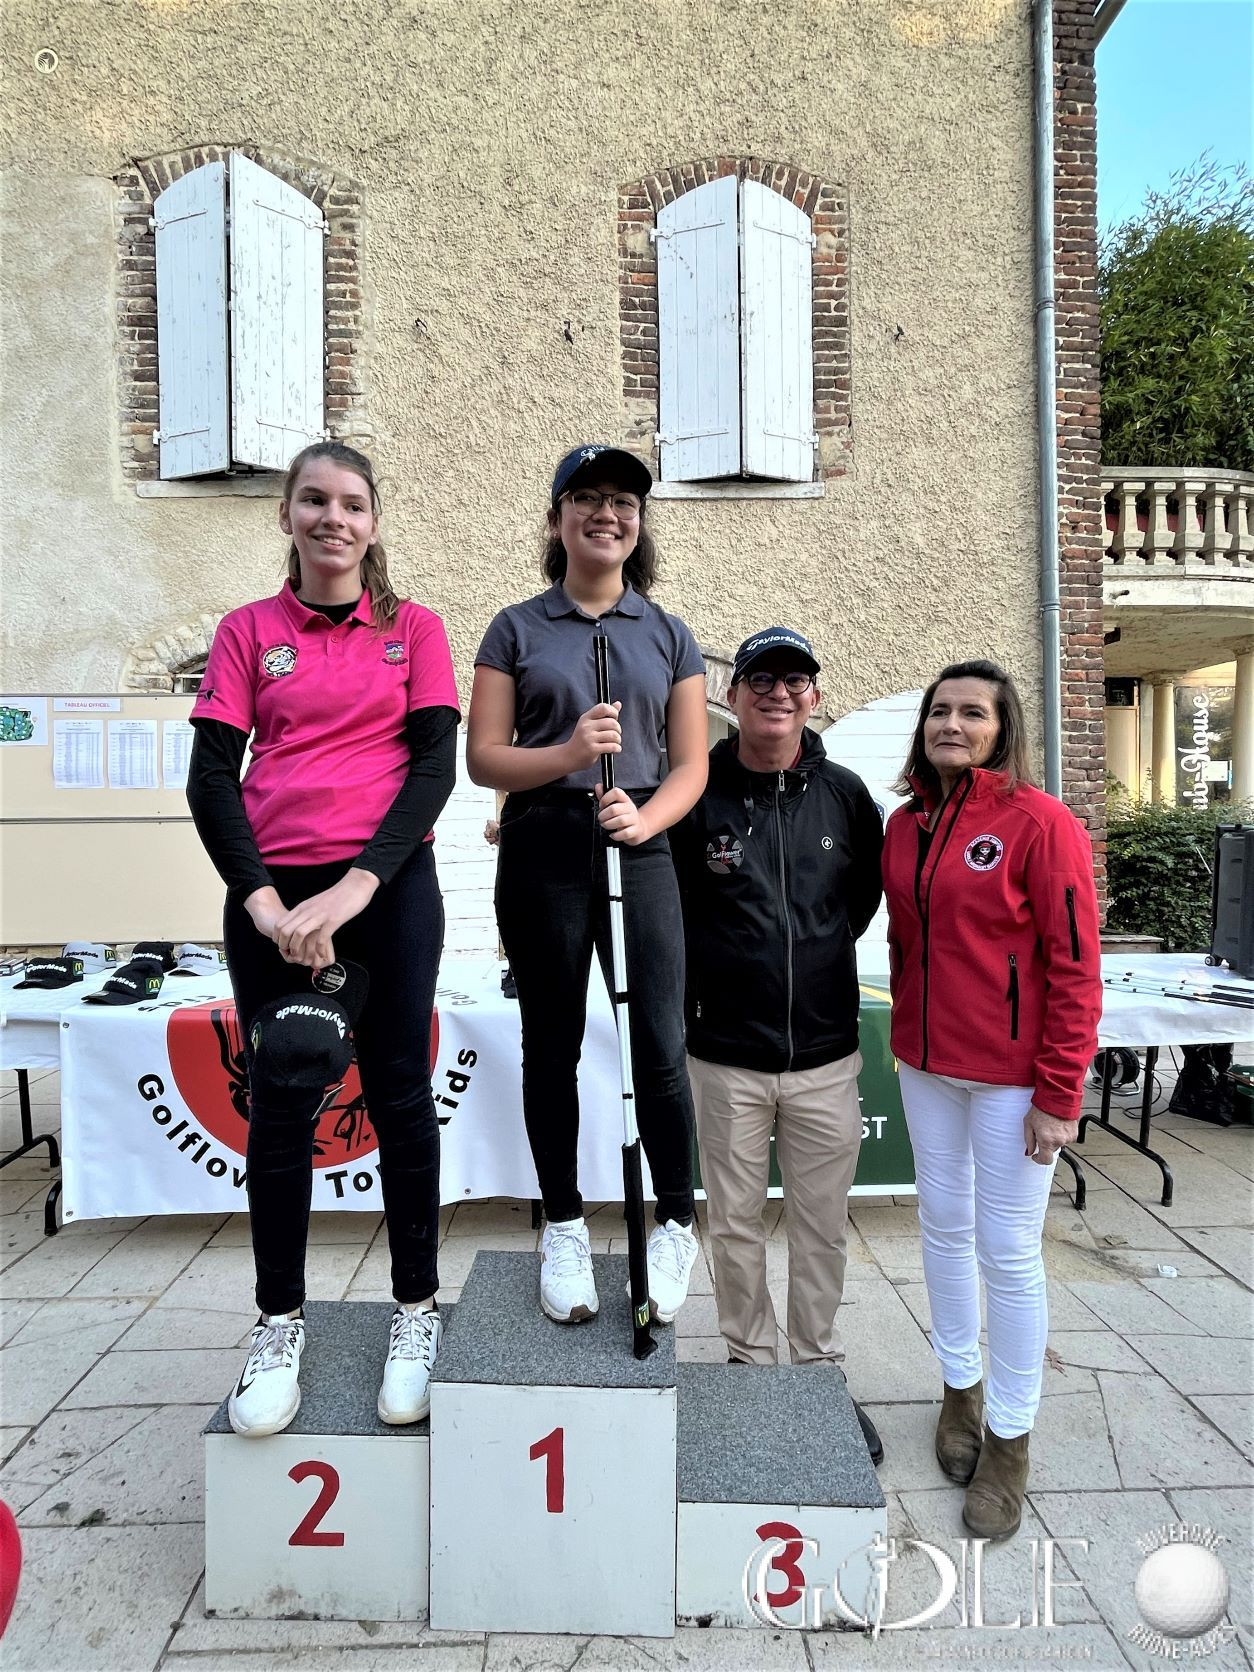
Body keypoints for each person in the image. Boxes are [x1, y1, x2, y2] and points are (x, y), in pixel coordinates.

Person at [187, 441, 459, 1437]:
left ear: (373, 522)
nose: (332, 519)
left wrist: (354, 889)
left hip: (385, 891)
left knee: (397, 1091)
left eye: (351, 503)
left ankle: (416, 1309)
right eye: (313, 500)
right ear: (286, 515)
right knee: (283, 1099)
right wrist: (264, 904)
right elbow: (212, 778)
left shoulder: (414, 629)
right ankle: (278, 1321)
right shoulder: (247, 631)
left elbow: (434, 769)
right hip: (276, 898)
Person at [466, 444, 708, 1326]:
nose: (608, 515)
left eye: (623, 503)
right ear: (558, 517)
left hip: (637, 844)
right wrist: (568, 753)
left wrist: (647, 821)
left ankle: (676, 1220)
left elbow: (690, 765)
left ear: (638, 524)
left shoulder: (668, 634)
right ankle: (564, 1224)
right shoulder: (515, 628)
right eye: (589, 499)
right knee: (552, 1044)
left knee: (659, 1045)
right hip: (542, 844)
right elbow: (482, 757)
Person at [882, 659, 1101, 1537]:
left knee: (1008, 1253)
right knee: (942, 1230)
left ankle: (1010, 1437)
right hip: (928, 1068)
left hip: (1015, 1081)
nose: (953, 724)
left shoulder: (1041, 823)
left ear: (1003, 729)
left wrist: (1060, 1091)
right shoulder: (905, 823)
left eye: (973, 712)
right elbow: (904, 942)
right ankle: (959, 1392)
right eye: (940, 710)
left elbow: (1076, 966)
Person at [671, 627, 886, 1465]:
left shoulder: (845, 795)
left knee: (821, 1227)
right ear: (732, 696)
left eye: (795, 681)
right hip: (725, 1053)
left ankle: (818, 1370)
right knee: (733, 1224)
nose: (778, 693)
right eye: (761, 679)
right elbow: (671, 908)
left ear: (814, 698)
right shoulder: (696, 790)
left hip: (826, 1055)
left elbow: (856, 905)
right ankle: (750, 1366)